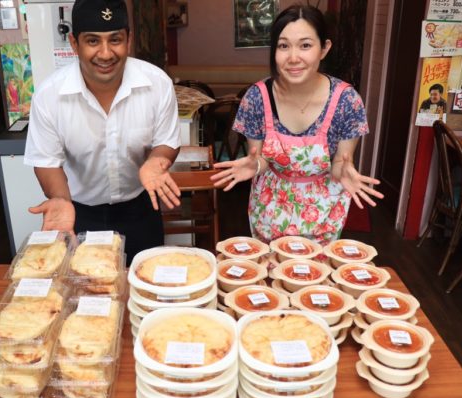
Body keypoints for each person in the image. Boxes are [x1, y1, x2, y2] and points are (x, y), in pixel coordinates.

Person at [211, 4, 383, 245]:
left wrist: (344, 171)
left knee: (316, 276)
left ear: (324, 49)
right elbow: (260, 160)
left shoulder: (346, 100)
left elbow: (339, 164)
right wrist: (255, 164)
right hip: (270, 208)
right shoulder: (257, 97)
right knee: (270, 273)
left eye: (305, 45)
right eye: (283, 46)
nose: (293, 58)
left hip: (323, 211)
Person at [24, 0, 181, 263]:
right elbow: (46, 161)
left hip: (140, 210)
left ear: (128, 40)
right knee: (89, 296)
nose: (106, 54)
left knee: (148, 289)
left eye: (115, 40)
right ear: (75, 43)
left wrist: (156, 160)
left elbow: (167, 141)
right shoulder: (49, 95)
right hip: (80, 214)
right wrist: (60, 199)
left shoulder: (157, 84)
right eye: (93, 41)